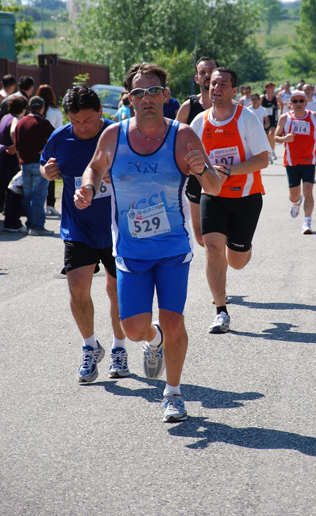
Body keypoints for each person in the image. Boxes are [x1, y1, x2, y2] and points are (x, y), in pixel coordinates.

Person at [74, 63, 221, 422]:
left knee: (175, 323)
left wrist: (202, 169)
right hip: (130, 252)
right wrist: (89, 187)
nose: (147, 98)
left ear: (165, 96)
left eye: (154, 91)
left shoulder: (183, 135)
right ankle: (153, 341)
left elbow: (215, 186)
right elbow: (95, 167)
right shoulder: (114, 136)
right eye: (139, 93)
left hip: (172, 250)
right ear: (129, 99)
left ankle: (173, 394)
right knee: (134, 328)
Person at [40, 85, 131, 384]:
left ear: (100, 113)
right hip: (78, 226)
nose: (81, 128)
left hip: (117, 226)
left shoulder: (118, 134)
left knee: (115, 291)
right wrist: (48, 173)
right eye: (75, 122)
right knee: (77, 287)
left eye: (88, 121)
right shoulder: (60, 137)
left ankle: (119, 348)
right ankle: (90, 346)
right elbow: (44, 165)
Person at [191, 66, 269, 334]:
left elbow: (263, 160)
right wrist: (203, 173)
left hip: (247, 196)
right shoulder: (199, 122)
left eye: (223, 84)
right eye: (213, 83)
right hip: (213, 194)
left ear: (234, 90)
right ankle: (221, 312)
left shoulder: (246, 118)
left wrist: (230, 170)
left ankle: (242, 248)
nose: (216, 88)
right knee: (211, 246)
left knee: (236, 260)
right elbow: (186, 157)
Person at [176, 56, 219, 246]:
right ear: (197, 78)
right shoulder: (188, 107)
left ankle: (223, 255)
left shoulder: (232, 107)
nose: (207, 75)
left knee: (222, 233)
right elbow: (174, 141)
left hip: (225, 172)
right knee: (201, 236)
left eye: (211, 71)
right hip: (196, 175)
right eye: (203, 72)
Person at [275, 89, 316, 235]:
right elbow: (276, 137)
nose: (298, 103)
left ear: (306, 102)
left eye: (301, 100)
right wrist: (284, 139)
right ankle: (296, 202)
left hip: (309, 159)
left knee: (309, 190)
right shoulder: (285, 118)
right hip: (291, 161)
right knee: (294, 195)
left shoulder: (314, 116)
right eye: (295, 101)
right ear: (290, 103)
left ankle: (307, 222)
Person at [15, 96, 54, 236]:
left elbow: (17, 143)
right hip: (39, 164)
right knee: (39, 195)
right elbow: (55, 138)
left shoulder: (21, 123)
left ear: (29, 107)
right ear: (42, 108)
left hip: (24, 164)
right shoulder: (43, 123)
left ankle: (30, 224)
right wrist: (45, 149)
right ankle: (37, 226)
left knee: (27, 196)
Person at [0, 95, 28, 232]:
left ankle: (8, 219)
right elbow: (13, 132)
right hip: (10, 156)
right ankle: (12, 222)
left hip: (2, 153)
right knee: (15, 189)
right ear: (23, 108)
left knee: (5, 187)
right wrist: (17, 148)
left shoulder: (5, 117)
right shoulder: (16, 119)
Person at [36, 84, 64, 216]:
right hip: (50, 146)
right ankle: (51, 205)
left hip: (33, 148)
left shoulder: (36, 112)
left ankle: (36, 207)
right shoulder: (55, 111)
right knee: (51, 173)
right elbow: (58, 131)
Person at [260, 82, 278, 161]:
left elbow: (282, 105)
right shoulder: (262, 98)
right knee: (266, 138)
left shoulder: (276, 98)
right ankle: (268, 153)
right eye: (271, 89)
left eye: (273, 89)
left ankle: (273, 151)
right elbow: (256, 106)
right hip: (263, 120)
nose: (273, 90)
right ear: (266, 89)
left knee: (272, 134)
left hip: (273, 120)